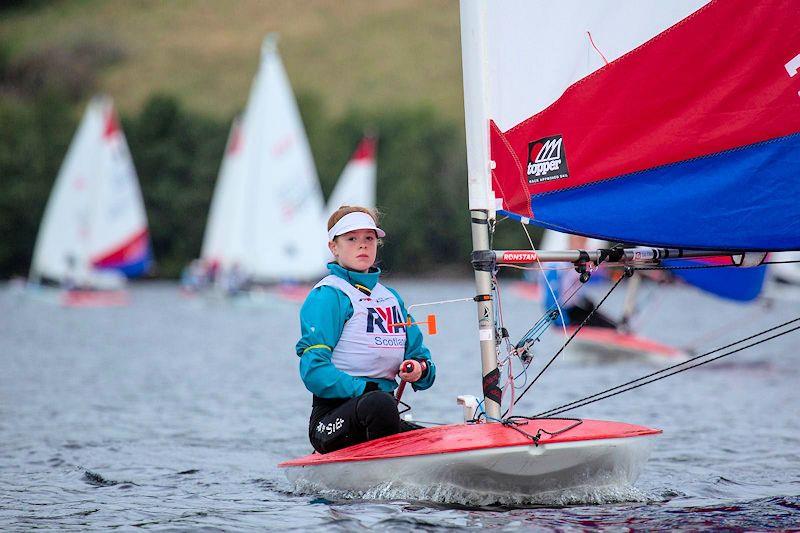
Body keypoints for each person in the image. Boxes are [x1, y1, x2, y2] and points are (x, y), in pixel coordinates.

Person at [296, 206, 436, 454]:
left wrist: (418, 369)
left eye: (369, 239)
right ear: (334, 247)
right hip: (331, 420)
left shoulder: (391, 298)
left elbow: (424, 363)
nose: (362, 245)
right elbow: (313, 371)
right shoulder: (328, 295)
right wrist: (364, 390)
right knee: (379, 403)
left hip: (381, 414)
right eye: (352, 239)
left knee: (435, 439)